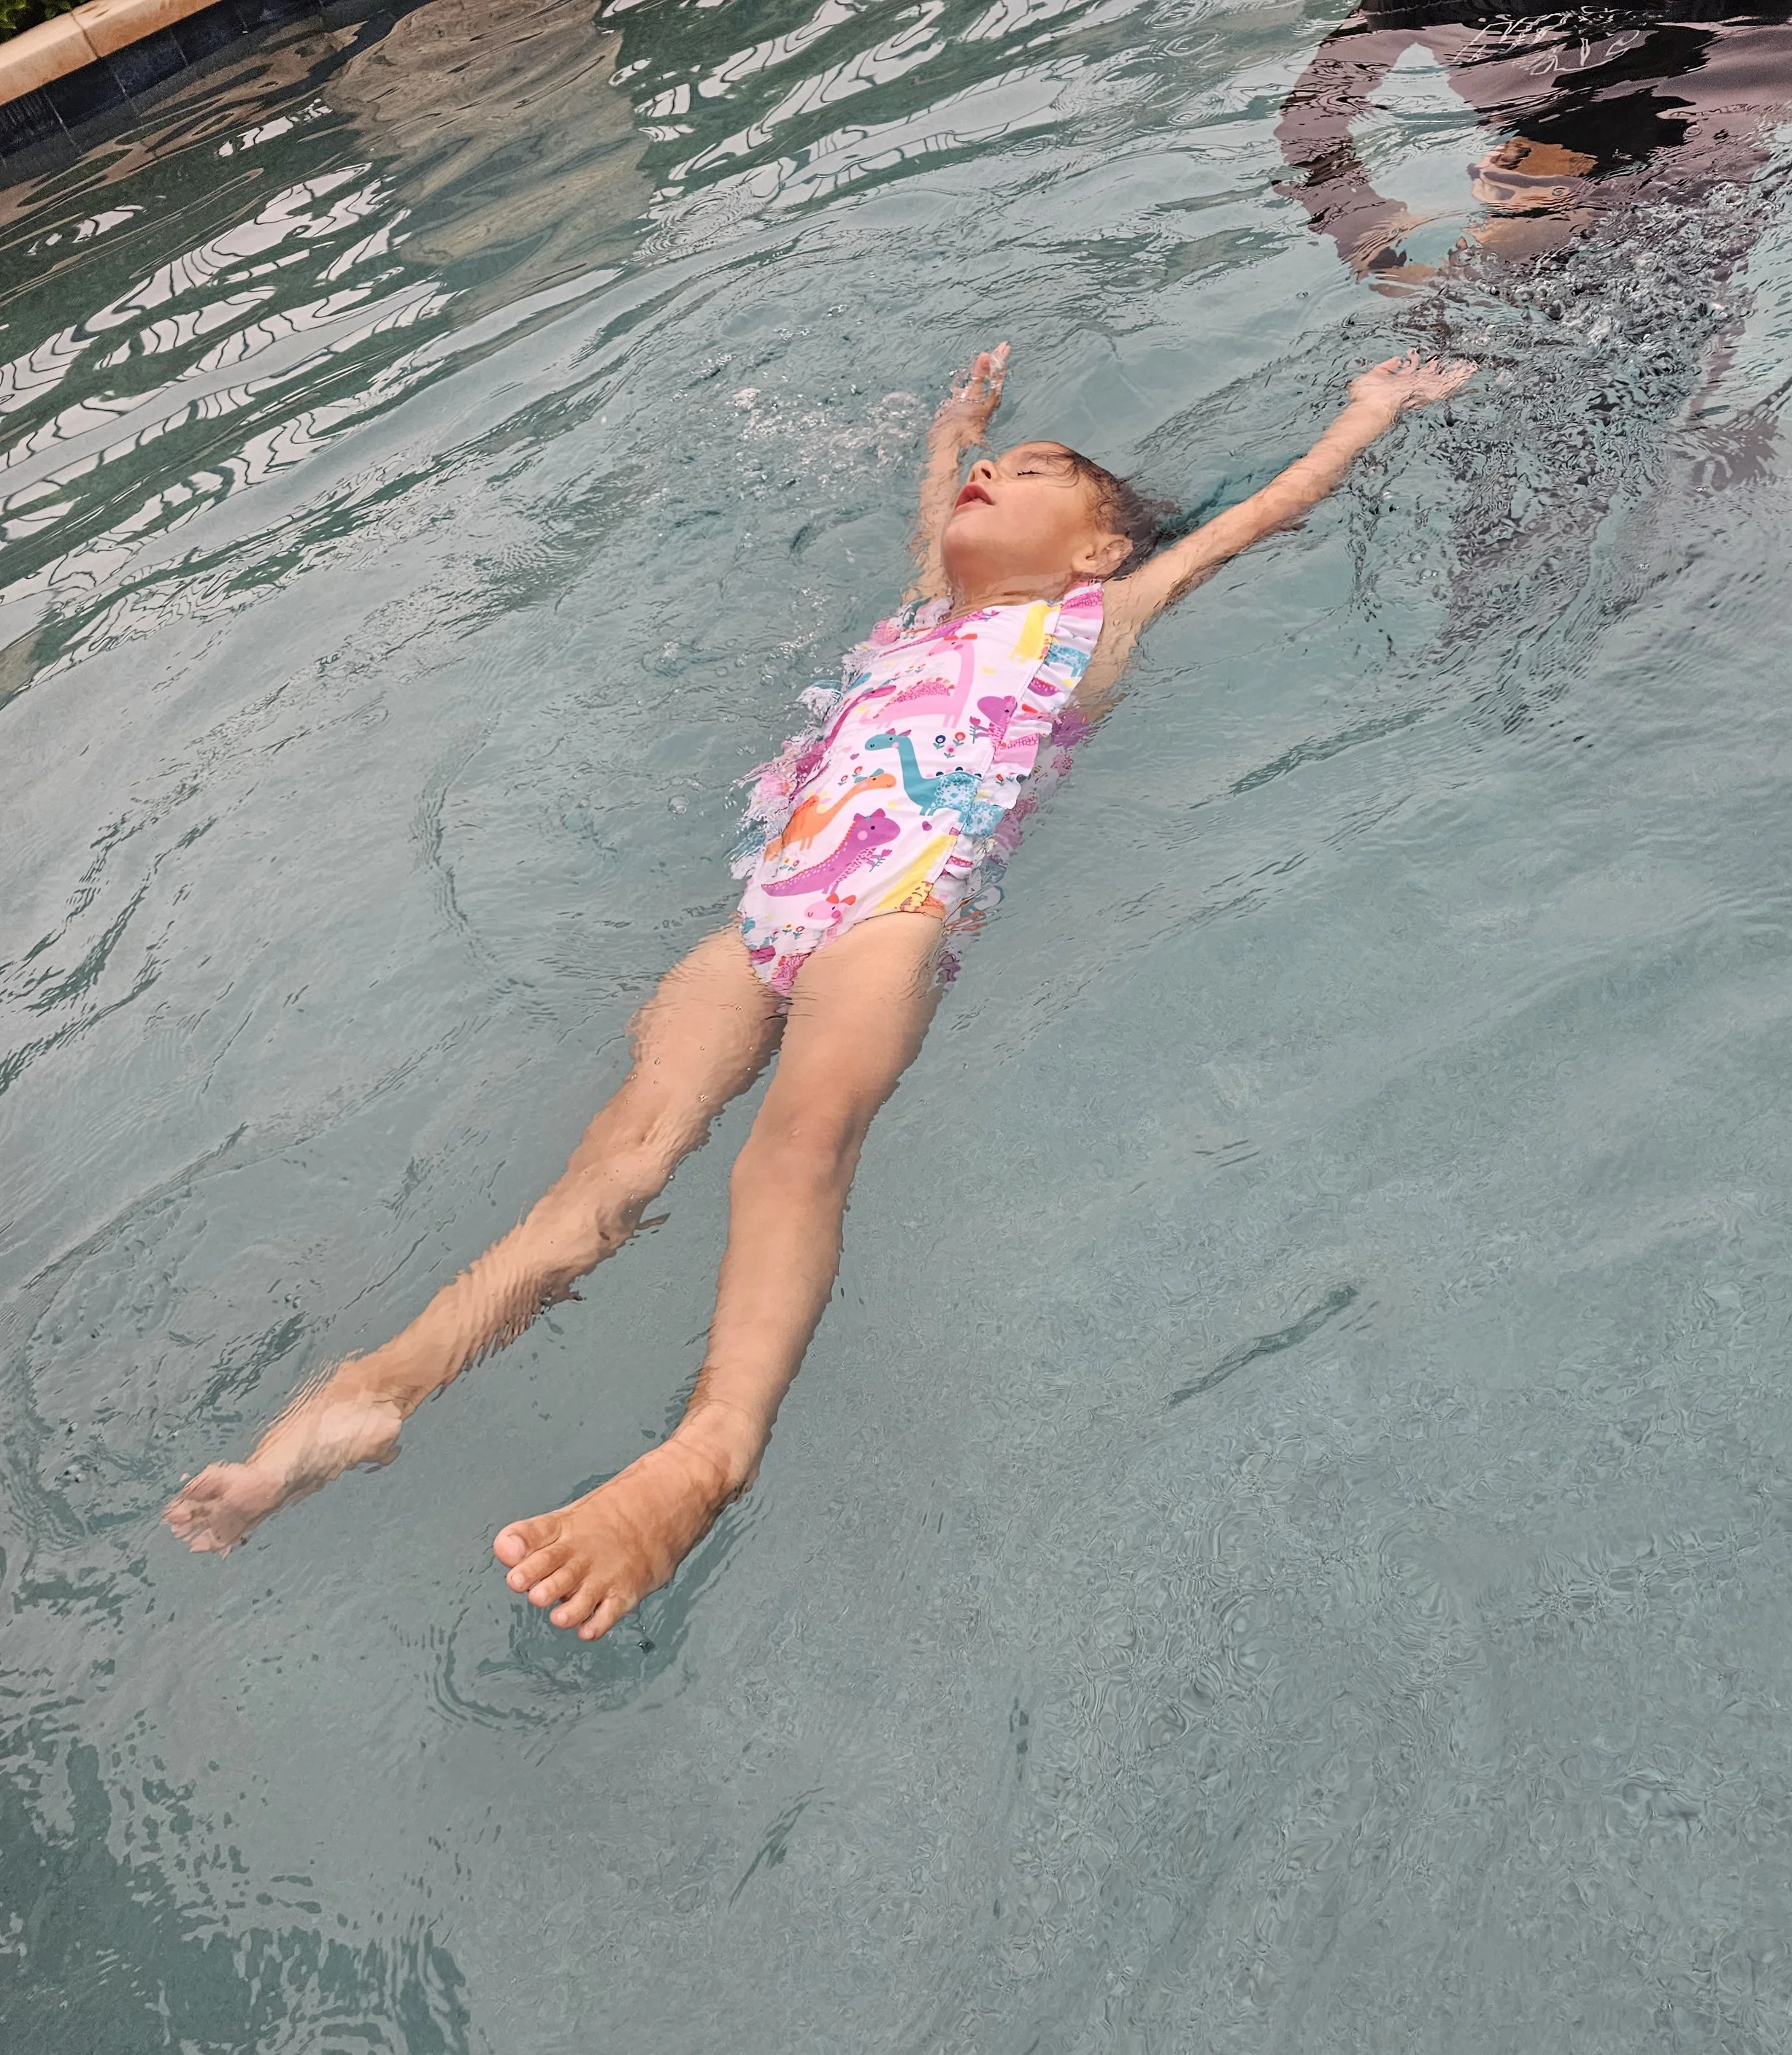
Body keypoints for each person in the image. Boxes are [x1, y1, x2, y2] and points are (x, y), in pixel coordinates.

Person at [165, 340, 1473, 1635]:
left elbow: (1263, 510)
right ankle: (373, 1391)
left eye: (1031, 473)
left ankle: (706, 1454)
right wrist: (953, 427)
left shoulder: (1095, 617)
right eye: (992, 469)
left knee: (796, 1149)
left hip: (893, 918)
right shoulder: (922, 609)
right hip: (761, 922)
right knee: (614, 1162)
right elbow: (935, 501)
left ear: (1092, 549)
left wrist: (1367, 411)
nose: (992, 479)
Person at [1276, 2, 1792, 290]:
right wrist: (1375, 251)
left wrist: (1372, 242)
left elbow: (1309, 124)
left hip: (1558, 203)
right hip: (1685, 194)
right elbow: (1310, 121)